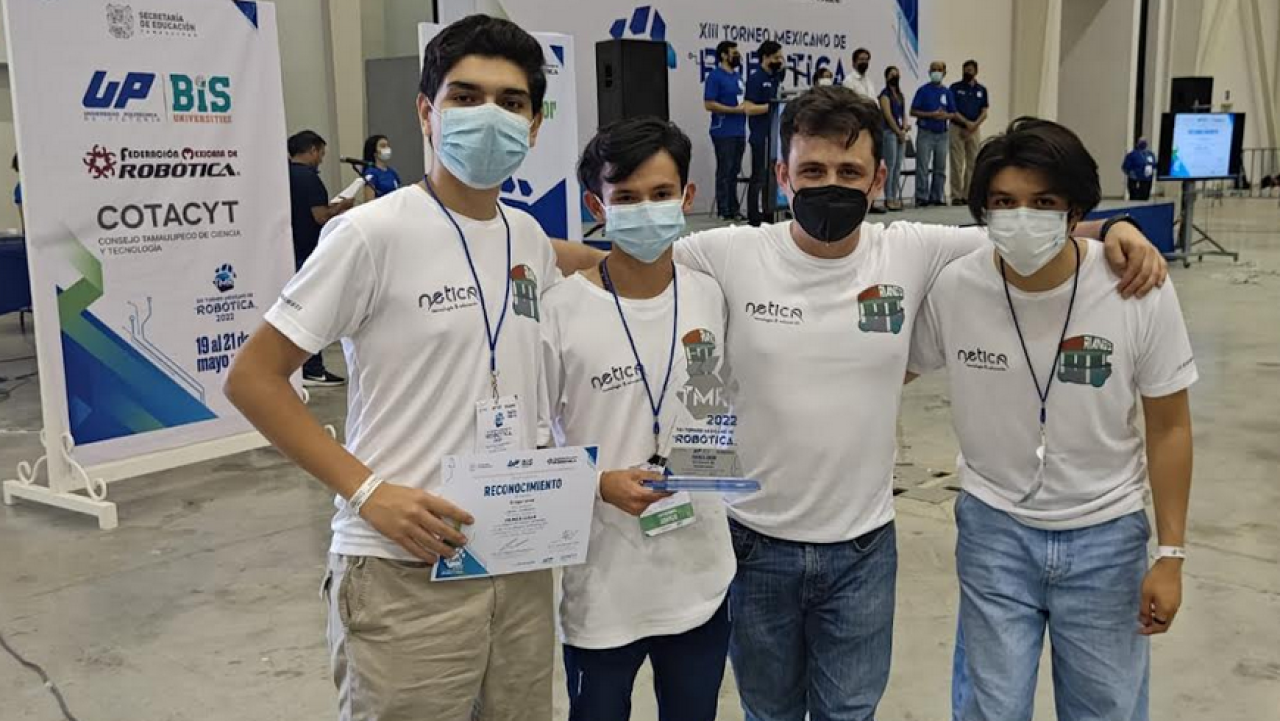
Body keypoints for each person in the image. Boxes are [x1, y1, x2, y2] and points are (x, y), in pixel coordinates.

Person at [549, 85, 1166, 721]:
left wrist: (1114, 227)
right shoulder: (729, 253)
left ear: (877, 180)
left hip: (863, 549)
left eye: (849, 171)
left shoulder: (912, 249)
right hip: (755, 539)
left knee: (850, 711)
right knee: (768, 711)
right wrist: (514, 254)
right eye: (813, 170)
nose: (831, 184)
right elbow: (612, 259)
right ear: (783, 175)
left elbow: (1021, 231)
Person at [226, 15, 561, 721]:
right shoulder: (369, 234)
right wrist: (369, 491)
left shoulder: (528, 236)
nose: (489, 115)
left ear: (534, 126)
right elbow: (254, 377)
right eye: (465, 96)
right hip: (403, 567)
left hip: (517, 558)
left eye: (510, 101)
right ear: (426, 112)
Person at [910, 117, 1195, 721]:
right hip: (994, 531)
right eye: (1003, 202)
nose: (1022, 218)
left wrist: (1171, 555)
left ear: (1075, 212)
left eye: (1043, 203)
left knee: (1106, 709)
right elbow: (884, 372)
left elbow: (1170, 425)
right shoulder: (956, 287)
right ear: (983, 210)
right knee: (989, 709)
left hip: (1106, 535)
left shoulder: (1135, 287)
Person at [545, 117, 734, 721]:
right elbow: (525, 446)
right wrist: (598, 483)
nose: (645, 209)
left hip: (700, 578)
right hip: (603, 589)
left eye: (660, 193)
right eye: (625, 197)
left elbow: (717, 405)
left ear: (687, 196)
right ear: (596, 205)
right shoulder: (560, 311)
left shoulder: (710, 295)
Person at [287, 130, 354, 387]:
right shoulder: (309, 179)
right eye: (321, 154)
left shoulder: (283, 175)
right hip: (308, 252)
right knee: (312, 311)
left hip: (289, 249)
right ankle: (313, 368)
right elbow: (320, 217)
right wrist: (342, 207)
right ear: (312, 150)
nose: (321, 160)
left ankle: (301, 368)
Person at [704, 41, 758, 221]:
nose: (737, 56)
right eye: (733, 53)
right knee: (725, 170)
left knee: (734, 170)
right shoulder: (715, 76)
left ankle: (734, 209)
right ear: (723, 55)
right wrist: (733, 110)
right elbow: (709, 104)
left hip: (739, 130)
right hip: (723, 131)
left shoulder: (738, 77)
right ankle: (724, 209)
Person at [746, 40, 785, 226]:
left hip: (775, 134)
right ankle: (754, 216)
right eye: (776, 58)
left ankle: (770, 212)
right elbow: (748, 108)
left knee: (772, 176)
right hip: (760, 135)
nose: (780, 61)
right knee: (759, 176)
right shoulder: (756, 78)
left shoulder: (775, 78)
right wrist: (771, 107)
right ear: (765, 57)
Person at [911, 61, 956, 207]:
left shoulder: (947, 92)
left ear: (944, 73)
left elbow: (953, 113)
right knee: (922, 166)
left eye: (939, 70)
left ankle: (937, 196)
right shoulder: (923, 90)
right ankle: (921, 197)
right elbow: (913, 111)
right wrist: (931, 114)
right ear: (929, 72)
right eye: (933, 69)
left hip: (942, 134)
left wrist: (945, 116)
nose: (936, 72)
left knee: (940, 167)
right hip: (925, 132)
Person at [948, 60, 989, 205]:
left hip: (974, 129)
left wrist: (973, 125)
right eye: (965, 70)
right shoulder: (955, 88)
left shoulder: (981, 90)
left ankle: (968, 194)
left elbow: (984, 111)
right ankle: (956, 195)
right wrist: (966, 123)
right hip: (957, 127)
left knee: (973, 162)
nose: (967, 72)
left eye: (970, 70)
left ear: (976, 72)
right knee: (957, 163)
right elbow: (952, 110)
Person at [878, 65, 910, 212]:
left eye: (896, 74)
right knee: (890, 167)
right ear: (886, 77)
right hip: (889, 133)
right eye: (891, 74)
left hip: (900, 133)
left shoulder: (900, 95)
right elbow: (888, 116)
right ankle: (888, 198)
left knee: (897, 167)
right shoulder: (884, 95)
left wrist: (904, 127)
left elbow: (903, 114)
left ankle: (895, 197)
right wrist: (898, 132)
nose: (894, 77)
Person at [360, 134, 402, 201]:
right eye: (383, 146)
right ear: (374, 152)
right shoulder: (371, 173)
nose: (387, 149)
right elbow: (369, 200)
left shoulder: (392, 172)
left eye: (387, 146)